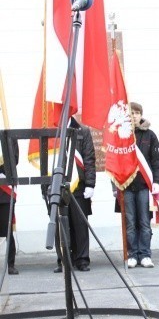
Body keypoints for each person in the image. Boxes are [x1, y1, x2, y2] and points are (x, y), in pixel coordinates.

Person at [54, 117, 96, 273]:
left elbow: (89, 158)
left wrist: (90, 184)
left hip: (79, 185)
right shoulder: (53, 131)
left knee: (80, 225)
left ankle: (82, 259)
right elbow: (44, 159)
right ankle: (64, 260)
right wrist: (45, 188)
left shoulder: (82, 131)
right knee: (60, 225)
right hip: (57, 185)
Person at [124, 102, 159, 269]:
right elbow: (116, 161)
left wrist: (157, 182)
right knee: (130, 222)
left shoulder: (150, 136)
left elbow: (157, 162)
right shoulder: (122, 135)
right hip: (126, 186)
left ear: (141, 115)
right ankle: (132, 255)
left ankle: (145, 254)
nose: (134, 116)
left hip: (144, 186)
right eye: (131, 113)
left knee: (145, 222)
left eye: (137, 113)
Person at [0, 140, 19, 275]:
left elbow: (14, 159)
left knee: (7, 230)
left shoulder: (8, 133)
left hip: (4, 190)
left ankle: (10, 264)